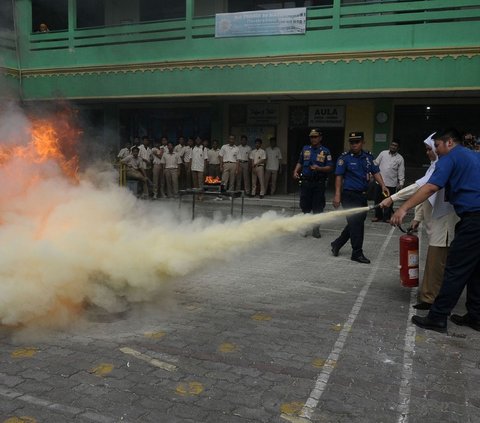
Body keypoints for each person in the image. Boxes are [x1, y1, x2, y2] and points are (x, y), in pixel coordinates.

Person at [390, 128, 480, 333]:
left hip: (474, 220)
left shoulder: (450, 157)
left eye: (437, 145)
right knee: (476, 271)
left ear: (449, 143)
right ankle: (476, 316)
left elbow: (430, 187)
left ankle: (437, 317)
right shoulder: (475, 156)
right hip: (474, 218)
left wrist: (404, 208)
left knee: (455, 270)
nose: (435, 150)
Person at [380, 133, 458, 310]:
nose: (429, 152)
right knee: (435, 262)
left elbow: (421, 188)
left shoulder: (442, 166)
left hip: (443, 221)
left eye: (432, 148)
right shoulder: (434, 166)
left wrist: (393, 199)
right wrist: (417, 217)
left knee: (437, 263)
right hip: (436, 221)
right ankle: (432, 296)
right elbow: (423, 195)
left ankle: (431, 300)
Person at [331, 132, 389, 263]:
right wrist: (337, 195)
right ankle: (357, 253)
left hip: (363, 196)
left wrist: (383, 185)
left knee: (354, 223)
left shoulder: (368, 157)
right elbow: (339, 177)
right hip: (349, 196)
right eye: (351, 142)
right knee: (357, 225)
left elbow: (376, 172)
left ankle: (337, 243)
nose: (354, 144)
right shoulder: (344, 158)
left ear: (362, 142)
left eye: (357, 142)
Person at [293, 129, 333, 238]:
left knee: (318, 207)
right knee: (305, 206)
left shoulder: (325, 151)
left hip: (318, 183)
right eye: (312, 137)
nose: (313, 139)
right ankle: (305, 227)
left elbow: (330, 167)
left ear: (320, 138)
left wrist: (319, 168)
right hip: (306, 182)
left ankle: (316, 229)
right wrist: (295, 171)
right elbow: (300, 162)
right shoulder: (305, 149)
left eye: (315, 137)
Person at [372, 140, 404, 222]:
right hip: (379, 182)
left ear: (398, 148)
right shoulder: (383, 153)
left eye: (395, 145)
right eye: (392, 145)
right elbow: (376, 163)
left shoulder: (400, 158)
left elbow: (401, 171)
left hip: (391, 184)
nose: (393, 147)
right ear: (390, 145)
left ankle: (386, 217)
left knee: (389, 201)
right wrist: (371, 173)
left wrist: (401, 183)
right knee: (377, 200)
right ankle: (378, 216)